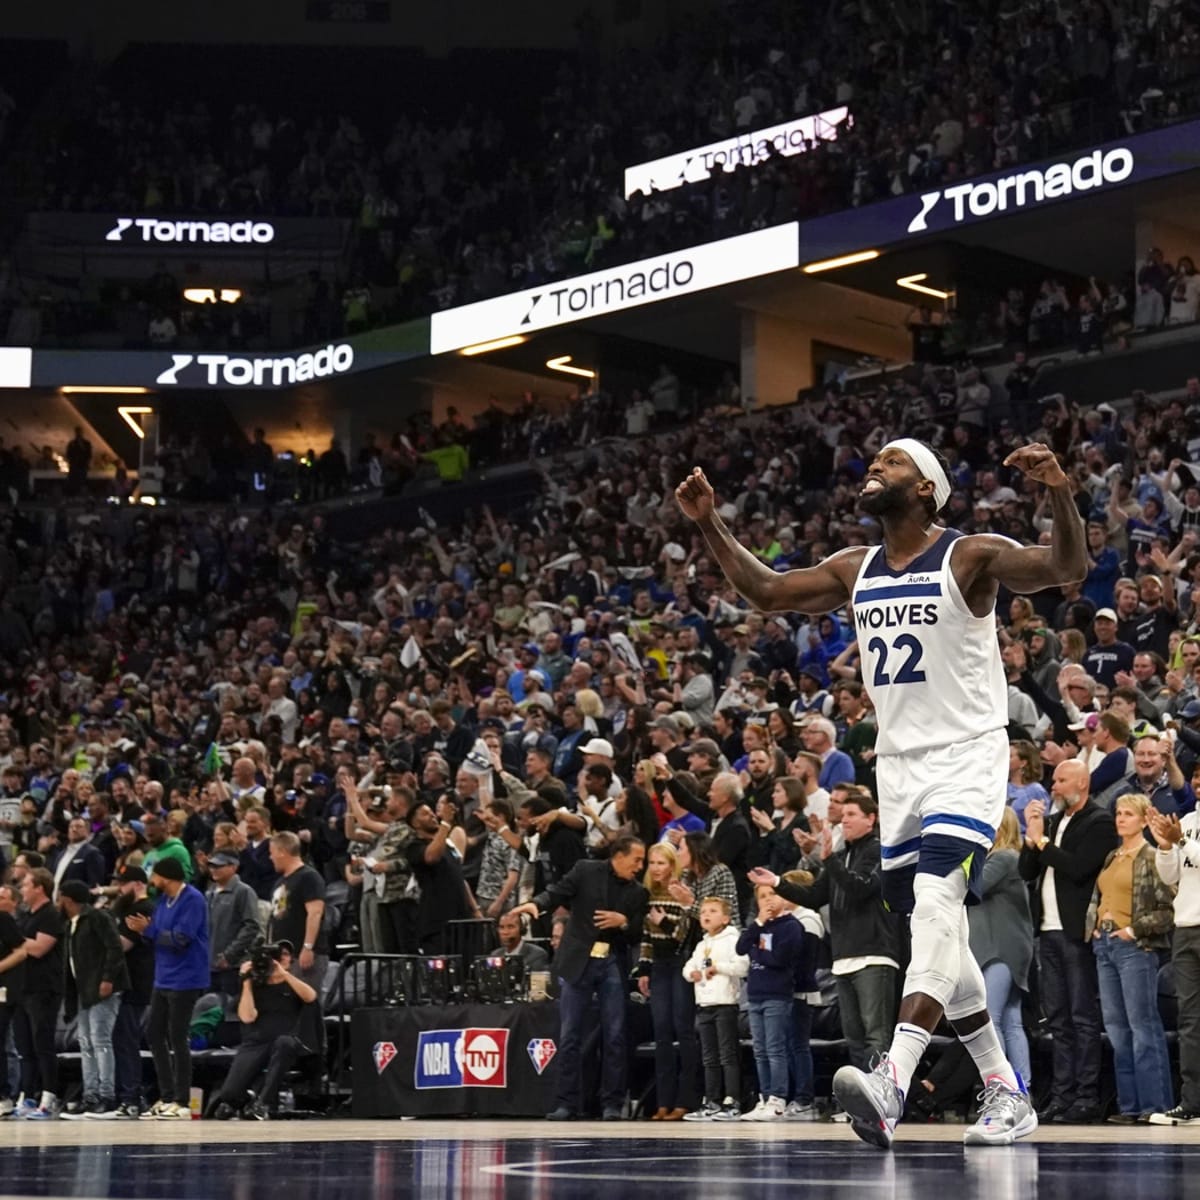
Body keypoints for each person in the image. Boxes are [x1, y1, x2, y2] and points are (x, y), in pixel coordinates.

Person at [678, 436, 1086, 1147]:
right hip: (897, 767)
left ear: (926, 487)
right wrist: (709, 522)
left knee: (935, 901)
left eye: (892, 462)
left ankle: (892, 1077)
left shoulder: (969, 555)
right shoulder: (855, 566)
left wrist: (1058, 488)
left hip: (965, 753)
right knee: (938, 929)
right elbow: (767, 592)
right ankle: (1004, 1088)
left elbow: (1065, 567)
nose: (874, 467)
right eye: (873, 461)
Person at [511, 835, 648, 1121]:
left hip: (612, 961)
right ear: (619, 856)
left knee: (615, 1036)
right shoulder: (586, 870)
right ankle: (566, 1103)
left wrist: (623, 922)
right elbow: (557, 892)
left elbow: (637, 933)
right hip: (579, 961)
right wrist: (536, 904)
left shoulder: (638, 892)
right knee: (570, 1034)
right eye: (636, 860)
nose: (640, 866)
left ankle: (611, 1104)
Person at [1018, 759, 1117, 1123]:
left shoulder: (1099, 821)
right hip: (1046, 930)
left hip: (1076, 932)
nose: (1053, 786)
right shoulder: (1052, 821)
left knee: (1082, 1017)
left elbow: (1078, 869)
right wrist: (1031, 837)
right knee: (1058, 1019)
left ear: (1082, 783)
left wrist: (1041, 840)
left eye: (1061, 780)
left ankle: (1086, 1097)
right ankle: (1062, 1096)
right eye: (1054, 780)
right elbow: (1026, 871)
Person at [1083, 793, 1175, 1122]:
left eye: (1128, 814)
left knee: (1142, 1025)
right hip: (1105, 945)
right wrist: (1094, 927)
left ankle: (1154, 1106)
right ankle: (1129, 1106)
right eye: (1119, 813)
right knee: (1117, 1028)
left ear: (1143, 820)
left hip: (1135, 948)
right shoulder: (1113, 856)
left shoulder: (1150, 856)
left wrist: (1133, 930)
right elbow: (1099, 897)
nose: (1121, 819)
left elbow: (1166, 909)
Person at [125, 857, 209, 1120]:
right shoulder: (163, 901)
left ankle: (182, 1101)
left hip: (186, 978)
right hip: (163, 977)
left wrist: (148, 931)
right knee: (154, 1033)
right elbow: (157, 935)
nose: (152, 880)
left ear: (166, 876)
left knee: (177, 1036)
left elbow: (181, 938)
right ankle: (167, 1096)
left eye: (155, 875)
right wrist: (143, 931)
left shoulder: (193, 899)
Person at [211, 942, 318, 1121]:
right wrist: (246, 981)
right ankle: (249, 1100)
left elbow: (311, 996)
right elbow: (247, 1017)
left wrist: (283, 974)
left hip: (285, 1041)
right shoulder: (255, 985)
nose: (281, 959)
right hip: (256, 1042)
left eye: (285, 954)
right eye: (277, 956)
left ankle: (264, 1103)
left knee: (284, 1043)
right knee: (229, 1094)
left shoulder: (293, 983)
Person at [968, 809, 1034, 1095]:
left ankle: (1003, 1088)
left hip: (1002, 949)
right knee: (1010, 1020)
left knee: (990, 1018)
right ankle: (1021, 1089)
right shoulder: (999, 858)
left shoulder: (1005, 858)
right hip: (999, 948)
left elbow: (973, 886)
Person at [636, 842, 698, 1121]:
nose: (655, 868)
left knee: (683, 1031)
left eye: (661, 863)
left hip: (681, 964)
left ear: (673, 865)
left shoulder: (682, 892)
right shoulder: (648, 894)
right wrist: (644, 969)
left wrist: (663, 922)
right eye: (652, 862)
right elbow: (646, 938)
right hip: (659, 966)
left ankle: (685, 1101)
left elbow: (683, 935)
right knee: (661, 1032)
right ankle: (663, 1102)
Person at [58, 879, 129, 1119]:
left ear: (67, 899)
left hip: (101, 988)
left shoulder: (98, 917)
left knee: (101, 1041)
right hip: (84, 991)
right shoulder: (71, 924)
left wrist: (107, 979)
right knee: (86, 1043)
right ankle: (90, 1095)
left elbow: (114, 949)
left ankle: (106, 1096)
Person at [735, 882, 806, 1122]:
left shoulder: (791, 926)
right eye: (762, 896)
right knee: (760, 1050)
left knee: (775, 1049)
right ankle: (764, 1097)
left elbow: (779, 959)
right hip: (755, 994)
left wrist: (756, 951)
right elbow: (740, 947)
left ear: (783, 897)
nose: (767, 899)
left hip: (777, 994)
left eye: (772, 894)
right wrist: (757, 925)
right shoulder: (759, 926)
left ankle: (778, 1098)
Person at [1148, 802, 1200, 1124]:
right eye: (1196, 778)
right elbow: (1170, 876)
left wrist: (1180, 840)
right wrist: (1166, 847)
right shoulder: (1186, 821)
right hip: (1185, 927)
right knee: (1190, 1021)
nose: (1198, 782)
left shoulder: (1183, 831)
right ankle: (1192, 1103)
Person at [680, 896, 748, 1121]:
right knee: (709, 1056)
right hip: (704, 1004)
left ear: (726, 918)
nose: (706, 915)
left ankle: (732, 1100)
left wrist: (718, 968)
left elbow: (742, 966)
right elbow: (688, 967)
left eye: (712, 911)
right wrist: (692, 974)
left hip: (725, 1004)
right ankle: (712, 1100)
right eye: (703, 912)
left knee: (727, 1054)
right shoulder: (702, 944)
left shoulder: (732, 939)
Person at [12, 867, 63, 1119]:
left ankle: (49, 1097)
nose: (21, 889)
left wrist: (13, 939)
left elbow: (39, 948)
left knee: (43, 1044)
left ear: (39, 888)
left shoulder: (50, 915)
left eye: (26, 885)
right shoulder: (25, 916)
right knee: (25, 1047)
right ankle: (27, 1095)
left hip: (44, 988)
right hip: (23, 987)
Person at [266, 832, 327, 989]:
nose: (270, 858)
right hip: (283, 957)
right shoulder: (280, 882)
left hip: (302, 954)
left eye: (272, 853)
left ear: (282, 852)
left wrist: (308, 947)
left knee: (306, 1000)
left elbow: (315, 913)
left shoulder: (309, 877)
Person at [206, 850, 264, 995]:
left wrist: (230, 955)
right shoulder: (209, 893)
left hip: (232, 966)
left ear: (233, 867)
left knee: (230, 1005)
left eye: (219, 866)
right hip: (209, 965)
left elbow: (252, 926)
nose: (214, 870)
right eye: (211, 866)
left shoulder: (243, 892)